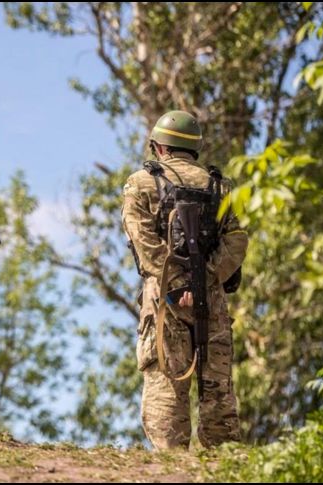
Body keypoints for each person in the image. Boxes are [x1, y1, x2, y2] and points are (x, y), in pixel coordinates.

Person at [121, 110, 248, 449]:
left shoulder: (140, 183)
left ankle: (171, 463)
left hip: (163, 298)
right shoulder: (221, 187)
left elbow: (143, 240)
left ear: (159, 147)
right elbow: (237, 240)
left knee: (166, 381)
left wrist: (176, 284)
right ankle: (223, 462)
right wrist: (204, 279)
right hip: (211, 299)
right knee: (217, 386)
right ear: (195, 148)